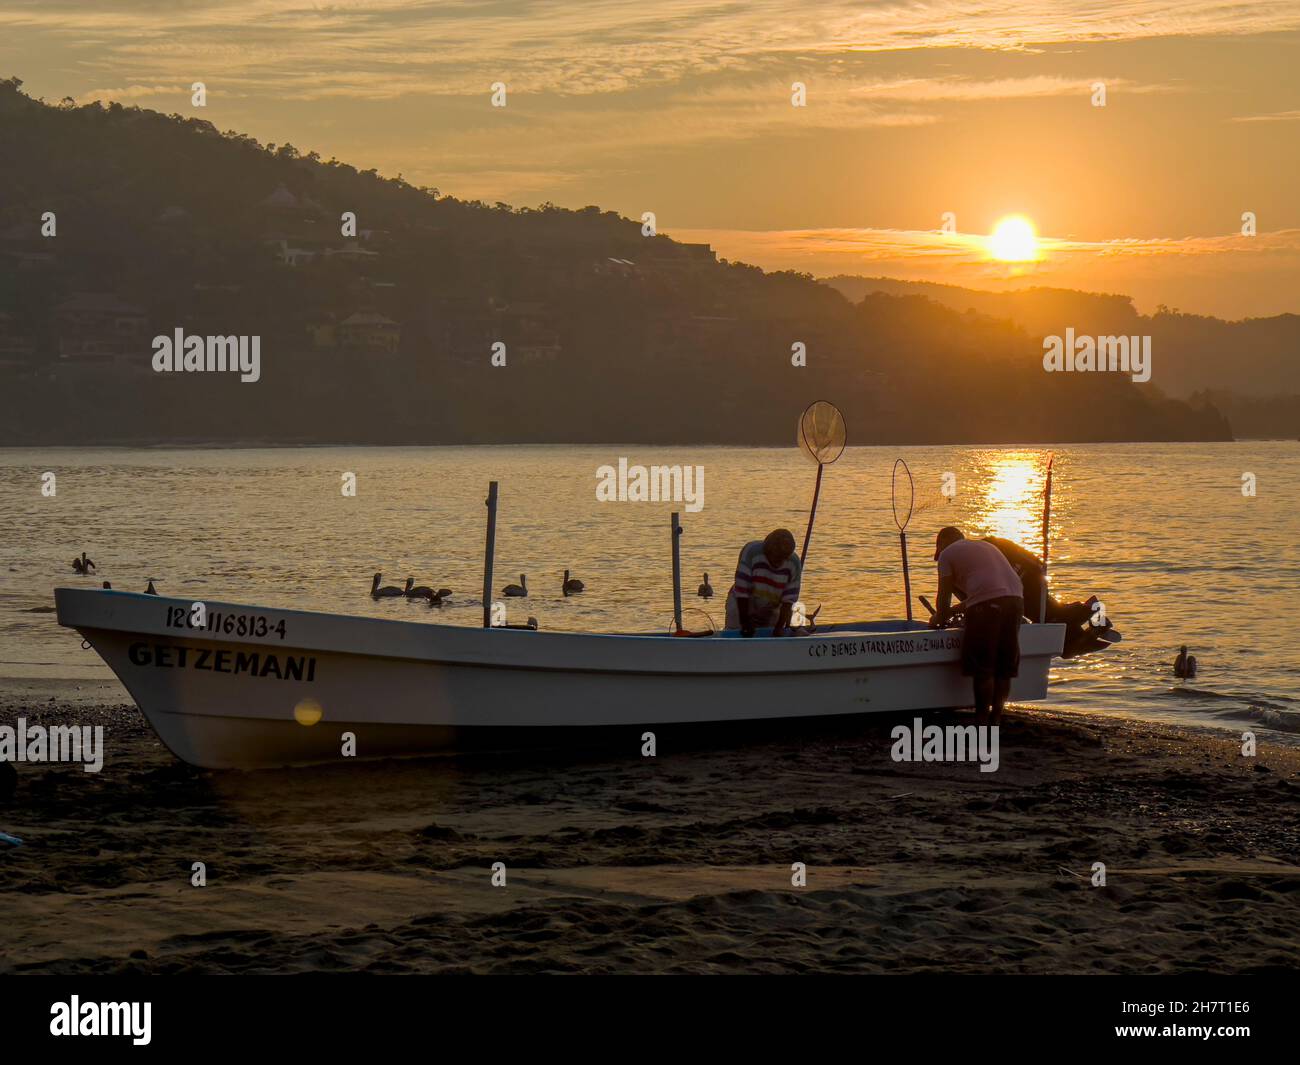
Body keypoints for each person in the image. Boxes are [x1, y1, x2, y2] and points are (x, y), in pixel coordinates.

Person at [930, 526, 1024, 725]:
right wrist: (956, 611)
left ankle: (981, 718)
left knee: (984, 666)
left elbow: (944, 596)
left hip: (986, 607)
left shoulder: (947, 554)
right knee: (1003, 666)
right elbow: (992, 589)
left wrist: (938, 618)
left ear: (942, 544)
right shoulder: (984, 546)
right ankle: (997, 717)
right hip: (1016, 600)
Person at [725, 528, 801, 637]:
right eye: (775, 557)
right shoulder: (751, 552)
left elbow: (788, 601)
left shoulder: (794, 563)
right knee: (737, 634)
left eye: (782, 558)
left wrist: (779, 627)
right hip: (742, 602)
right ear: (767, 551)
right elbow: (742, 591)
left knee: (770, 636)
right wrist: (745, 621)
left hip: (772, 606)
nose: (778, 562)